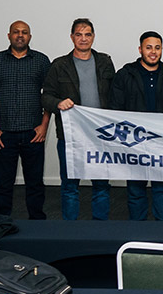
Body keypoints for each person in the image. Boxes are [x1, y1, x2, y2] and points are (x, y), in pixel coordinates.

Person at [42, 18, 116, 220]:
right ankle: (70, 229)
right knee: (70, 186)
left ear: (93, 37)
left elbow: (115, 94)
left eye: (87, 34)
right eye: (79, 34)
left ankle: (101, 227)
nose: (83, 39)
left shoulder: (105, 62)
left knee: (101, 185)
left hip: (100, 135)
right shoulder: (59, 65)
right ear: (72, 37)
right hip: (70, 136)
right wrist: (58, 103)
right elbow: (45, 96)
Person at [110, 31, 163, 221]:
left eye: (157, 48)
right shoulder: (125, 74)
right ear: (140, 49)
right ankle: (138, 230)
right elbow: (115, 108)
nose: (153, 52)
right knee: (136, 189)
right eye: (149, 47)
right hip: (134, 142)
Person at [0, 20, 51, 219]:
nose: (20, 35)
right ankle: (2, 221)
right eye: (16, 32)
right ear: (9, 35)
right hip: (3, 133)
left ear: (30, 36)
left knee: (35, 183)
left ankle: (37, 222)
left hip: (33, 132)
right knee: (3, 184)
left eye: (24, 32)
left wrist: (44, 125)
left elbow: (49, 95)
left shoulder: (41, 60)